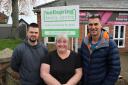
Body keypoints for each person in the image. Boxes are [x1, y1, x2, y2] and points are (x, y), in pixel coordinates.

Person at [79, 14, 121, 85]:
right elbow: (81, 61)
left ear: (101, 25)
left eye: (96, 24)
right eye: (90, 25)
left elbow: (115, 70)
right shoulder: (84, 42)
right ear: (88, 26)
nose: (93, 27)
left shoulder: (110, 44)